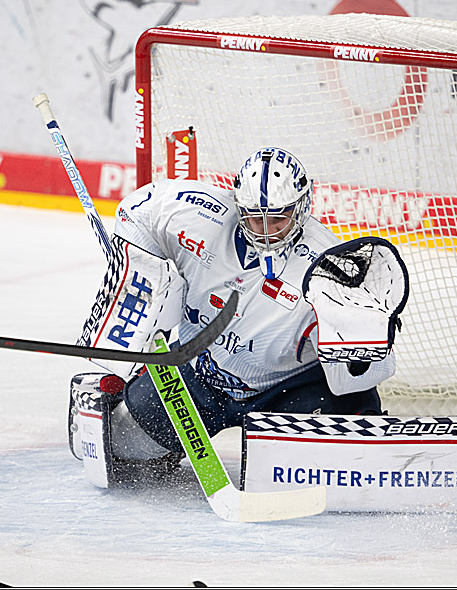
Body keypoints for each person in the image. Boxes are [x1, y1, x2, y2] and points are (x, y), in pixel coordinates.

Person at [72, 146, 404, 481]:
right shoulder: (197, 214)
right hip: (197, 377)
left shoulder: (334, 268)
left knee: (351, 456)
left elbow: (369, 369)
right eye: (255, 218)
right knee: (121, 447)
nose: (267, 231)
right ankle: (124, 397)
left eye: (279, 218)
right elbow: (137, 210)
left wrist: (361, 345)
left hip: (287, 392)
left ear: (302, 207)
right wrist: (142, 274)